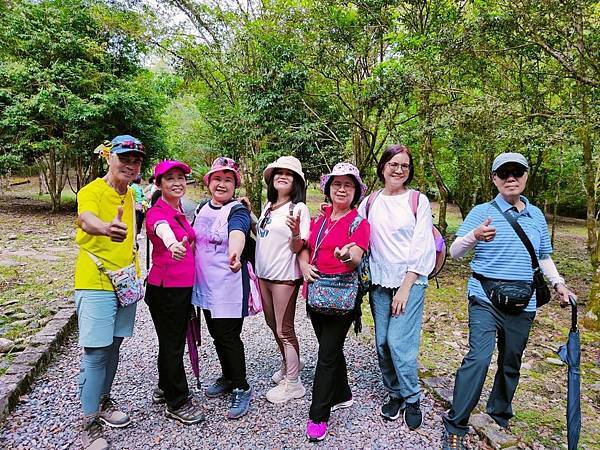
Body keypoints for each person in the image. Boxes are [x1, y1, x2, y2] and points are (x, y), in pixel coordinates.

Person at [441, 153, 576, 450]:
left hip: (523, 301)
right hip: (484, 297)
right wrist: (475, 235)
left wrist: (559, 284)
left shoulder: (536, 215)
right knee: (478, 358)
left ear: (526, 176)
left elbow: (543, 256)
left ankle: (499, 414)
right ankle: (456, 424)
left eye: (517, 172)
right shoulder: (481, 212)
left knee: (511, 361)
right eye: (504, 173)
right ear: (494, 179)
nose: (511, 178)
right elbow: (456, 252)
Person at [357, 144, 435, 430]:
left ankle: (412, 398)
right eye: (394, 164)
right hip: (379, 281)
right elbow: (359, 237)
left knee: (398, 342)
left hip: (409, 282)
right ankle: (395, 393)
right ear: (383, 167)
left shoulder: (418, 200)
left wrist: (405, 286)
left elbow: (421, 246)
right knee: (381, 342)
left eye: (404, 166)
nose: (399, 170)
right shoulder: (370, 201)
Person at [74, 135, 145, 450]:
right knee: (96, 351)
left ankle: (103, 400)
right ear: (109, 157)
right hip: (96, 280)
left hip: (125, 281)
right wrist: (104, 227)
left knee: (114, 345)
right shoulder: (91, 191)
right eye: (124, 157)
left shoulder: (130, 195)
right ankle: (89, 421)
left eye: (136, 159)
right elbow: (85, 219)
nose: (130, 164)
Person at [299, 162, 370, 442]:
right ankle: (343, 393)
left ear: (356, 192)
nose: (342, 189)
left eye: (348, 185)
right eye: (337, 184)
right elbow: (304, 249)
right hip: (316, 294)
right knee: (330, 348)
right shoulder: (319, 220)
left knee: (326, 355)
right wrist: (304, 266)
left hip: (343, 299)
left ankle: (318, 416)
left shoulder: (359, 223)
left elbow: (356, 256)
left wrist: (345, 257)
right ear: (328, 189)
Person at [191, 156, 254, 419]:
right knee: (217, 334)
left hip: (229, 284)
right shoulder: (202, 208)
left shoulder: (237, 210)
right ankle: (228, 377)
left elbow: (238, 232)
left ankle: (241, 386)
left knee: (228, 336)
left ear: (234, 186)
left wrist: (235, 253)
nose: (222, 184)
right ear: (208, 183)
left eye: (228, 180)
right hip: (205, 285)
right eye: (217, 178)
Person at [144, 160, 204, 425]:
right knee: (173, 343)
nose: (177, 183)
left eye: (181, 178)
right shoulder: (158, 213)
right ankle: (176, 401)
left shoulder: (177, 209)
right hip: (167, 290)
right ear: (159, 184)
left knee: (170, 341)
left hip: (178, 289)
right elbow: (163, 231)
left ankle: (164, 386)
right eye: (170, 179)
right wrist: (172, 246)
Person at [255, 156, 310, 404]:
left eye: (289, 173)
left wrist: (296, 232)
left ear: (296, 181)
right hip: (264, 275)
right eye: (278, 172)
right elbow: (264, 233)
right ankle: (288, 366)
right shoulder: (269, 205)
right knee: (272, 324)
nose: (282, 176)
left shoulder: (298, 209)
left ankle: (294, 383)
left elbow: (299, 245)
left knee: (284, 329)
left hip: (284, 278)